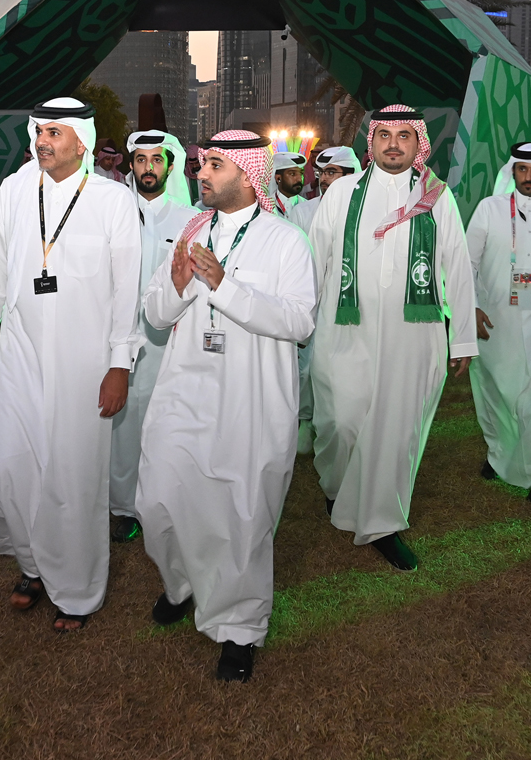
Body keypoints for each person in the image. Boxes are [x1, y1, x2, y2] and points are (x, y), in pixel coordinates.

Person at [137, 130, 316, 682]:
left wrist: (225, 286)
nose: (201, 173)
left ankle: (240, 627)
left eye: (215, 165)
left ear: (248, 173)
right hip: (184, 390)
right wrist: (177, 286)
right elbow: (155, 314)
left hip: (250, 398)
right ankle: (183, 583)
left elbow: (300, 321)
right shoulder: (190, 234)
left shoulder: (285, 241)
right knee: (158, 499)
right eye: (201, 164)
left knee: (241, 515)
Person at [0, 97, 141, 632]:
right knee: (12, 467)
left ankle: (79, 591)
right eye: (40, 131)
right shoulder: (17, 188)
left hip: (85, 359)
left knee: (72, 475)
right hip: (20, 350)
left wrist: (119, 364)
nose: (42, 141)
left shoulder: (113, 200)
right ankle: (32, 566)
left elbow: (127, 289)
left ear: (82, 142)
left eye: (55, 133)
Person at [308, 105, 477, 571]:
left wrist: (463, 338)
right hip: (345, 329)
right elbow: (316, 258)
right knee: (340, 421)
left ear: (417, 143)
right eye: (385, 135)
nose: (394, 144)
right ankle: (338, 487)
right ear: (372, 142)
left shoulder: (437, 196)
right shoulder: (341, 192)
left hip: (413, 336)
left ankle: (382, 521)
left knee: (397, 430)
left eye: (404, 135)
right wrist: (297, 320)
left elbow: (457, 264)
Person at [468, 142, 531, 513]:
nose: (529, 177)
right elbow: (467, 262)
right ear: (512, 171)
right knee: (498, 396)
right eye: (522, 169)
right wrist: (471, 307)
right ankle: (499, 457)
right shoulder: (489, 209)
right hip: (496, 323)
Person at [108, 130, 196, 542]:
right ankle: (125, 507)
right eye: (140, 160)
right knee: (123, 428)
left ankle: (165, 504)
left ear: (170, 166)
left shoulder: (189, 219)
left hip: (169, 343)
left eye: (156, 159)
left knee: (167, 425)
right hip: (120, 338)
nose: (148, 167)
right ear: (131, 166)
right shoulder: (114, 212)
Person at [290, 146, 363, 453]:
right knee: (309, 366)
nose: (323, 179)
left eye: (332, 172)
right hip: (313, 299)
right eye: (321, 173)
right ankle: (306, 421)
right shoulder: (302, 211)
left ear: (351, 175)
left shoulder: (365, 209)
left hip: (354, 303)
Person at [272, 151, 305, 216]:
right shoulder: (266, 206)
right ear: (278, 178)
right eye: (292, 174)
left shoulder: (308, 205)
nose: (299, 179)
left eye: (301, 173)